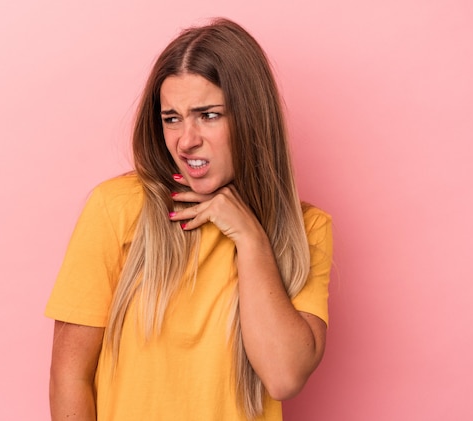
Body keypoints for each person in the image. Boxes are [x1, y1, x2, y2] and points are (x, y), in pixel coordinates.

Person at [45, 17, 333, 421]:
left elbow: (284, 377)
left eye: (208, 115)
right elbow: (69, 376)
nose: (186, 140)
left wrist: (250, 238)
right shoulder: (117, 207)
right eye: (172, 118)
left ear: (250, 117)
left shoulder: (307, 230)